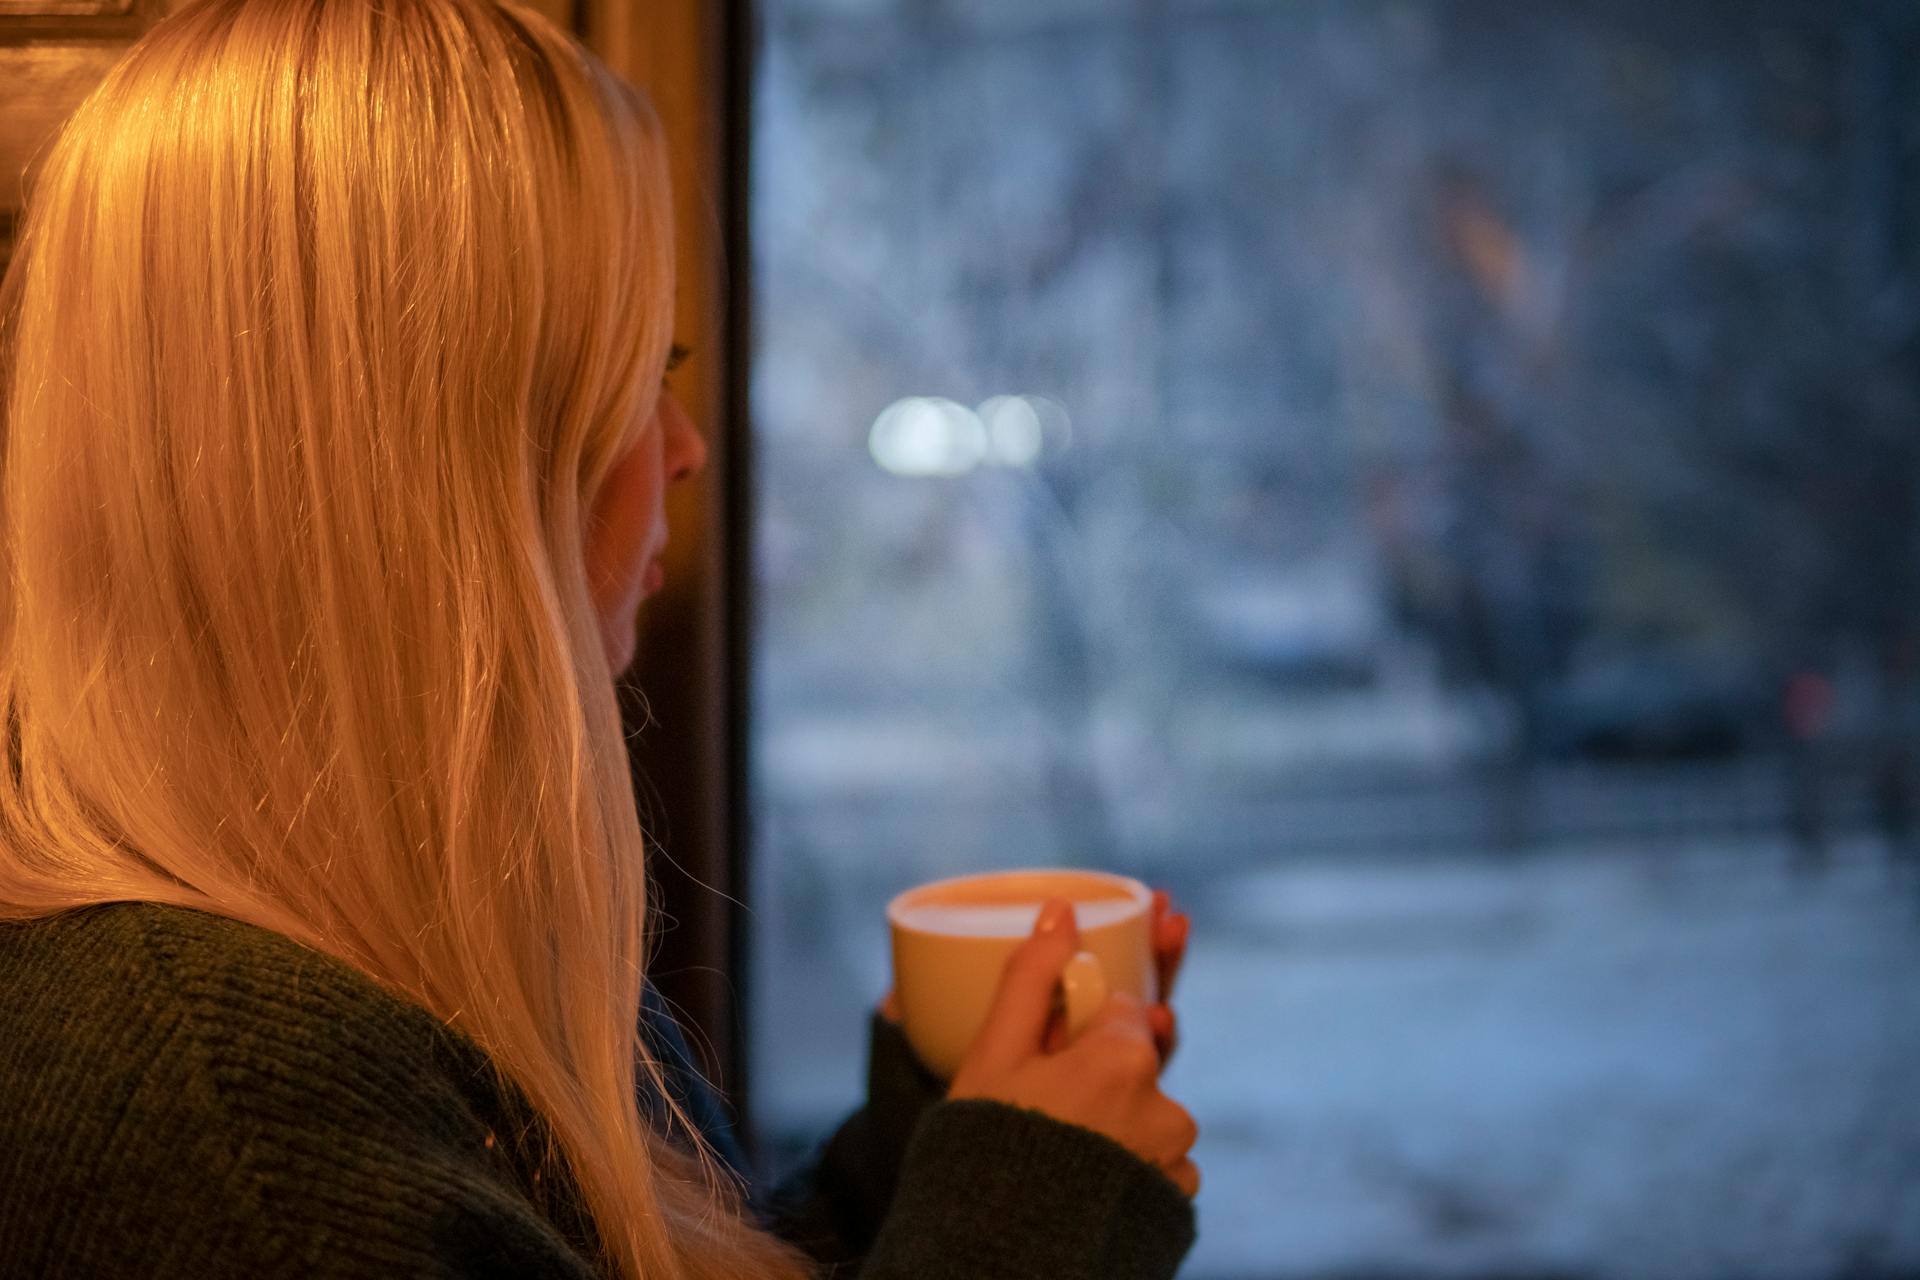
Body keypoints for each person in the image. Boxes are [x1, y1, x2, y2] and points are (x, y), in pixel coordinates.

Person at [0, 1, 1200, 1276]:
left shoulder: (390, 959)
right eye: (635, 374)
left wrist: (930, 1145)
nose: (682, 448)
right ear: (424, 476)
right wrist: (1026, 1223)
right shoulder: (214, 1128)